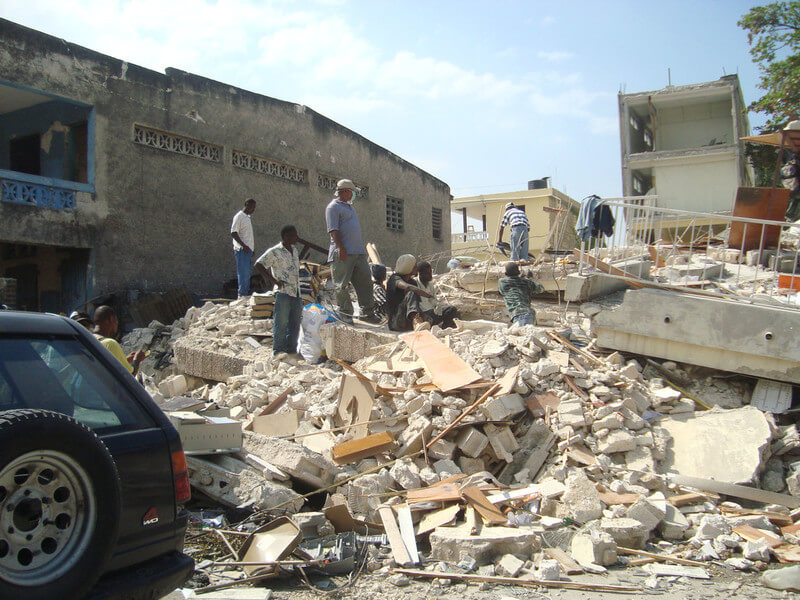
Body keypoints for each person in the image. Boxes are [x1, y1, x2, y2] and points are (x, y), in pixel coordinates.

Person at [325, 179, 379, 324]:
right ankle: (345, 314)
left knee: (365, 282)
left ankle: (367, 313)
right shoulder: (333, 207)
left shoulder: (349, 207)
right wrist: (341, 248)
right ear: (345, 191)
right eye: (352, 192)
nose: (354, 195)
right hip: (343, 252)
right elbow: (333, 230)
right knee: (341, 285)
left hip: (358, 252)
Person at [255, 225, 303, 357]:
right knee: (281, 322)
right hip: (283, 292)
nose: (296, 237)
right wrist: (274, 280)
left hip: (296, 291)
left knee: (294, 323)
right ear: (285, 236)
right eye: (294, 235)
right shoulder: (275, 251)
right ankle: (278, 350)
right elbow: (259, 265)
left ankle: (291, 350)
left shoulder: (294, 250)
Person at [386, 254, 432, 332]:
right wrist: (428, 295)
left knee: (448, 310)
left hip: (407, 321)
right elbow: (407, 287)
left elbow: (417, 304)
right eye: (415, 266)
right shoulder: (394, 279)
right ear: (409, 268)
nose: (417, 268)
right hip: (396, 322)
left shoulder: (412, 282)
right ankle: (416, 322)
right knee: (411, 292)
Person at [93, 305, 145, 374]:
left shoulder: (89, 341)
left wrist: (125, 360)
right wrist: (137, 360)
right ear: (111, 319)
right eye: (116, 321)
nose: (116, 326)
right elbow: (129, 376)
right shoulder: (110, 344)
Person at [498, 262, 544, 327]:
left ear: (506, 273)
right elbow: (540, 289)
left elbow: (513, 283)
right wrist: (531, 279)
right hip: (529, 314)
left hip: (519, 315)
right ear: (518, 272)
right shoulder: (526, 282)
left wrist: (522, 279)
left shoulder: (502, 282)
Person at [415, 261, 459, 329]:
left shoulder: (430, 284)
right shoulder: (414, 284)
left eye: (430, 272)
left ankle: (446, 329)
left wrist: (437, 305)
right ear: (420, 274)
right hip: (423, 315)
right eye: (427, 273)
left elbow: (433, 299)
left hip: (432, 312)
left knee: (452, 310)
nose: (430, 275)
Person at [231, 198, 256, 297]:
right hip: (242, 250)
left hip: (248, 251)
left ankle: (245, 294)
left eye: (254, 207)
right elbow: (233, 233)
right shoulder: (239, 216)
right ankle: (242, 295)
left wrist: (251, 249)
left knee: (247, 274)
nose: (253, 209)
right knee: (243, 274)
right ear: (246, 204)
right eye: (252, 206)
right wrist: (244, 246)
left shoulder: (247, 218)